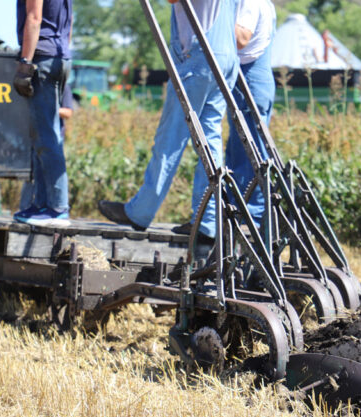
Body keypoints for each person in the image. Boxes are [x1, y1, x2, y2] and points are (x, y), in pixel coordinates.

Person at [97, 0, 239, 241]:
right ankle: (207, 222)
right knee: (210, 139)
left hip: (200, 56)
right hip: (225, 56)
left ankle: (140, 212)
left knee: (170, 138)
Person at [12, 0, 73, 227]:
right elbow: (70, 20)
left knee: (46, 136)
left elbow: (34, 17)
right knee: (42, 134)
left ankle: (57, 207)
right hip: (59, 55)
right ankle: (42, 204)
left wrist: (25, 63)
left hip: (42, 57)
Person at [222, 0, 276, 227]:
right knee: (240, 151)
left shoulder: (250, 1)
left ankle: (250, 220)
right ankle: (241, 215)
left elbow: (240, 39)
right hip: (251, 80)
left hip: (249, 81)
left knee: (248, 153)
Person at [18, 83, 74, 211]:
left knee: (50, 175)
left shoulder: (63, 86)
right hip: (35, 135)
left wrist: (48, 108)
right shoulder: (36, 84)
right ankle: (28, 207)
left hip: (53, 138)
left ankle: (55, 208)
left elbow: (68, 112)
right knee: (31, 174)